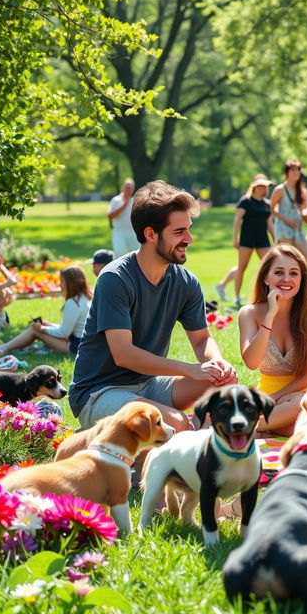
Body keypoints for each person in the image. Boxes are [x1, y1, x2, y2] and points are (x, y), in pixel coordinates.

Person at [69, 180, 237, 432]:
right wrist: (191, 369)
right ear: (150, 234)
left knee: (225, 390)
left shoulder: (186, 282)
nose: (189, 239)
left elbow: (202, 340)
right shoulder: (115, 278)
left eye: (189, 230)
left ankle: (197, 437)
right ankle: (187, 438)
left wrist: (218, 366)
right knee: (177, 424)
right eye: (179, 232)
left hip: (148, 385)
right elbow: (123, 354)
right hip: (99, 393)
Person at [238, 244, 307, 436]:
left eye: (294, 273)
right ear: (266, 277)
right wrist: (270, 315)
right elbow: (252, 362)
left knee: (304, 404)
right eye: (279, 272)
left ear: (302, 279)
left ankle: (247, 427)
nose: (287, 279)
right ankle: (271, 426)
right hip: (268, 394)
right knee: (303, 427)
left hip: (305, 393)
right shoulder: (249, 313)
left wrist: (273, 400)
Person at [0, 266, 92, 356]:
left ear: (71, 283)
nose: (60, 285)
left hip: (75, 347)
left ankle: (4, 348)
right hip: (84, 343)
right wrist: (48, 325)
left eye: (62, 281)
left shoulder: (73, 303)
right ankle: (6, 347)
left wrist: (42, 329)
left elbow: (64, 333)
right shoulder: (85, 297)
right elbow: (69, 329)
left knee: (35, 330)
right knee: (41, 326)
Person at [215, 174, 276, 306]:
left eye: (265, 187)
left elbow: (269, 223)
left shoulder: (267, 204)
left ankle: (270, 294)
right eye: (261, 186)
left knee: (270, 266)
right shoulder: (245, 201)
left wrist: (275, 239)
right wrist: (235, 238)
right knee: (242, 268)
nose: (264, 189)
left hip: (263, 240)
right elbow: (237, 220)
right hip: (247, 239)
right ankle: (236, 296)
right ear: (254, 187)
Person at [269, 160, 307, 263]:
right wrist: (286, 219)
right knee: (285, 258)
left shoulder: (302, 190)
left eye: (298, 169)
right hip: (283, 228)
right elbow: (271, 209)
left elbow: (306, 208)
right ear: (287, 172)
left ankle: (298, 275)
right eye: (293, 169)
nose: (296, 172)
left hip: (298, 228)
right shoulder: (280, 189)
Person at [108, 178, 139, 256]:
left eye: (130, 188)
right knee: (119, 253)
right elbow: (110, 216)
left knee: (135, 255)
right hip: (119, 232)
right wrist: (124, 205)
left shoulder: (135, 201)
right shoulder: (116, 200)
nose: (128, 190)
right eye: (126, 187)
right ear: (122, 187)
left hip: (133, 232)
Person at [0, 242, 17, 331]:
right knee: (2, 291)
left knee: (7, 292)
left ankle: (0, 321)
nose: (0, 259)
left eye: (0, 255)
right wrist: (6, 284)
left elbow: (12, 280)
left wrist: (7, 288)